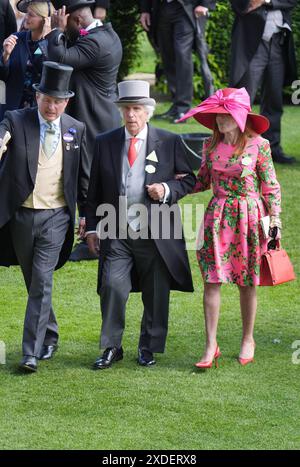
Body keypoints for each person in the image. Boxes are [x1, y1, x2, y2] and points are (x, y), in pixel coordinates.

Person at [85, 80, 196, 369]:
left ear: (147, 112)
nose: (131, 115)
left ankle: (148, 347)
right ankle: (111, 347)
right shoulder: (105, 142)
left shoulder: (169, 141)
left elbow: (189, 179)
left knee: (156, 290)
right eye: (126, 109)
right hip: (116, 228)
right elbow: (93, 190)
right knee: (112, 285)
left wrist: (167, 190)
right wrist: (93, 227)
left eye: (136, 109)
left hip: (156, 231)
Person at [178, 87, 281, 367]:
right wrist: (179, 182)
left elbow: (270, 186)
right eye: (216, 116)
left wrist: (275, 222)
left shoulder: (260, 145)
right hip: (217, 216)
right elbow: (203, 181)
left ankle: (248, 338)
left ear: (239, 117)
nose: (219, 120)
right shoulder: (210, 146)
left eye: (224, 115)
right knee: (212, 279)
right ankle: (211, 345)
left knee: (247, 281)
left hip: (249, 217)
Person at [0, 61, 89, 372]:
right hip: (22, 215)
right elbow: (3, 132)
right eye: (48, 99)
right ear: (37, 97)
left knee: (41, 279)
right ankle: (49, 334)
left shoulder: (77, 129)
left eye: (59, 100)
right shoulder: (16, 119)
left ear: (67, 102)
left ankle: (30, 352)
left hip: (56, 217)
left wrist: (87, 216)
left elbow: (83, 178)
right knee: (34, 282)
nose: (52, 106)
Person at [47, 0, 122, 260]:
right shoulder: (104, 36)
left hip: (94, 121)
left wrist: (55, 31)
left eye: (65, 20)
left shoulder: (95, 42)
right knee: (92, 179)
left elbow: (61, 59)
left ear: (76, 21)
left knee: (89, 180)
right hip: (99, 119)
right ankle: (95, 234)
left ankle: (95, 238)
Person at [229, 0, 298, 164]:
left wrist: (265, 1)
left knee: (274, 99)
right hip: (252, 45)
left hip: (278, 42)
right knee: (243, 100)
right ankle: (236, 149)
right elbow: (240, 6)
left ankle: (272, 149)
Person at [140, 0, 216, 123]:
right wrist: (145, 10)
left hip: (186, 8)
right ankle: (176, 105)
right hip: (162, 8)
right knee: (167, 56)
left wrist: (205, 4)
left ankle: (183, 108)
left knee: (182, 55)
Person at [0, 0, 54, 121]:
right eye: (27, 13)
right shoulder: (17, 39)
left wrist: (44, 40)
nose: (26, 17)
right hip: (12, 107)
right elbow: (2, 77)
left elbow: (44, 68)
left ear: (45, 20)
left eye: (31, 15)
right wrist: (5, 55)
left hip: (37, 109)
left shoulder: (53, 44)